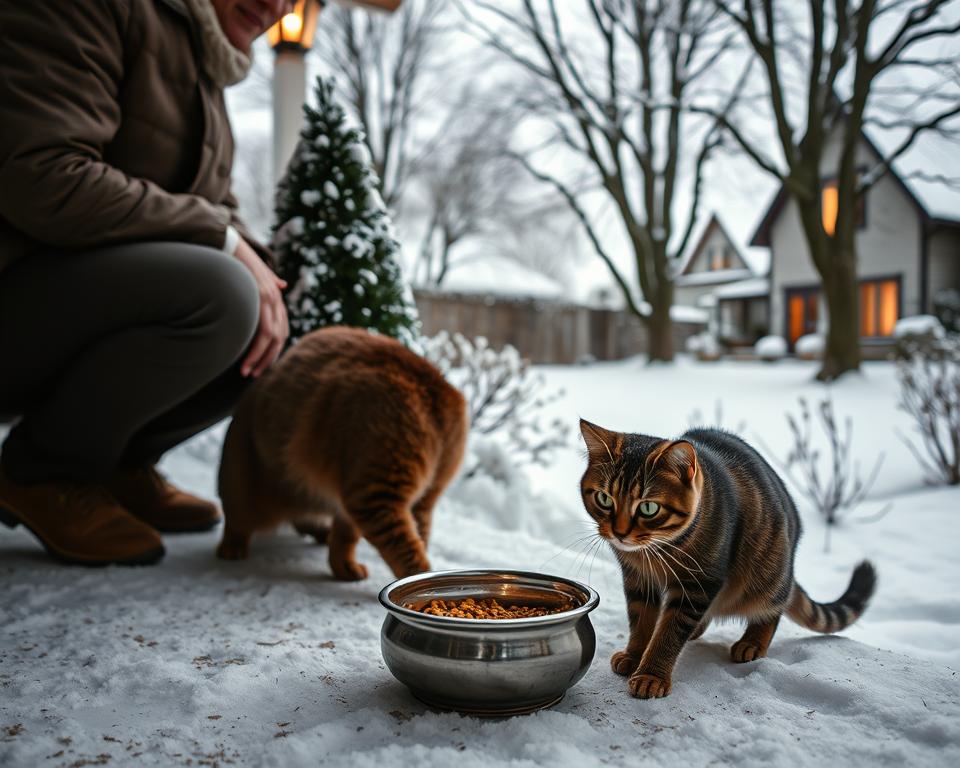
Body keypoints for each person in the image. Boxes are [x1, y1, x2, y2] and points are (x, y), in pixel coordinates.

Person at [0, 0, 293, 565]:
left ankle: (116, 467)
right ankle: (41, 472)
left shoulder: (201, 65)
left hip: (78, 301)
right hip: (17, 292)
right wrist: (225, 243)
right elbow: (43, 177)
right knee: (225, 294)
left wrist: (266, 270)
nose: (278, 6)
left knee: (273, 308)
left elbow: (216, 206)